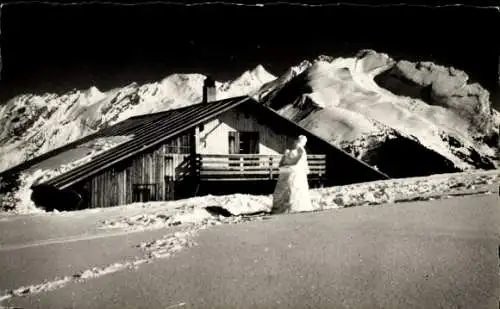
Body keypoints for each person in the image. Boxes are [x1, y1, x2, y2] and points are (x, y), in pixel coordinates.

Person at [271, 135, 315, 214]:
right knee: (291, 187)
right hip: (293, 171)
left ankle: (287, 207)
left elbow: (288, 163)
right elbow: (296, 161)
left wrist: (286, 163)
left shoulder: (294, 151)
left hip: (291, 171)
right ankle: (290, 206)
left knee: (290, 187)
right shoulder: (298, 150)